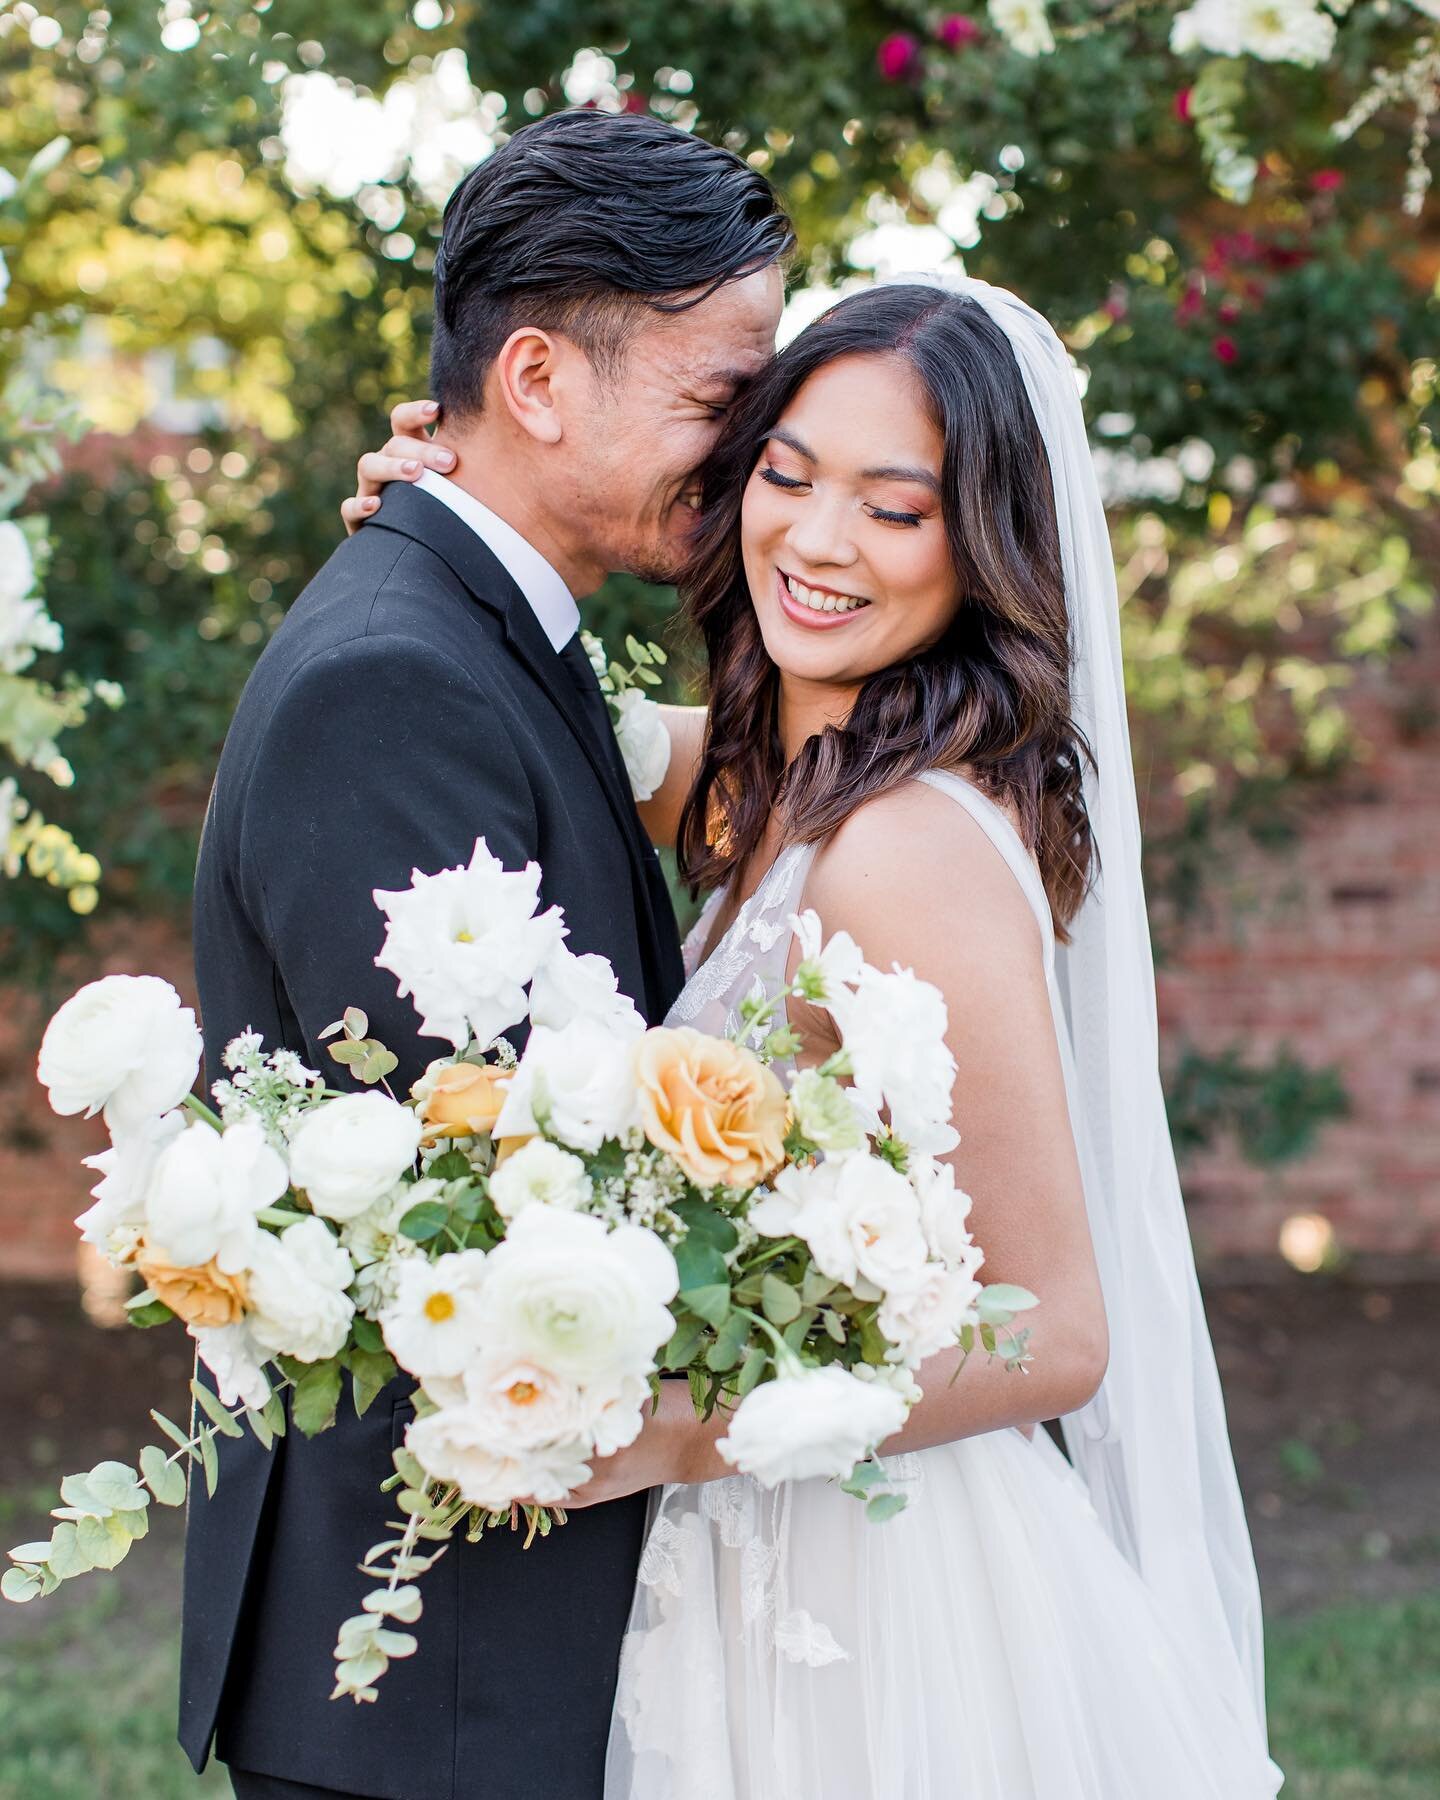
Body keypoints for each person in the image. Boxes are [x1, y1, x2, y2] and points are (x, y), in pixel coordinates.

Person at [349, 278, 1284, 1797]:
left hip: (880, 1594)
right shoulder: (794, 780)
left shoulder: (901, 843)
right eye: (787, 475)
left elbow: (1056, 1330)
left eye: (894, 510)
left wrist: (675, 1432)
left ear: (983, 552)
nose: (819, 540)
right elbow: (590, 731)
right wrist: (461, 528)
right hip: (768, 1551)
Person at [187, 108, 790, 1800]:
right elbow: (523, 1195)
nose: (747, 457)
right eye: (721, 404)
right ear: (537, 382)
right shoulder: (400, 679)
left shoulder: (485, 633)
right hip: (441, 1677)